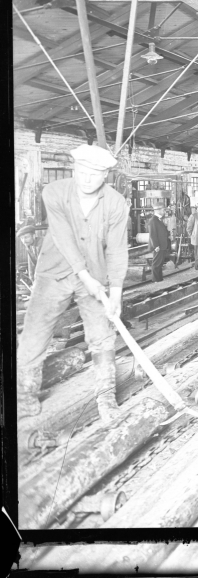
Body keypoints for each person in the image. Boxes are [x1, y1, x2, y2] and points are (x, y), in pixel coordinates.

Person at [17, 144, 128, 423]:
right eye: (81, 171)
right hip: (53, 273)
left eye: (94, 174)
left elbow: (117, 249)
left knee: (102, 334)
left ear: (105, 175)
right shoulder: (53, 192)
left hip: (95, 275)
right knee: (34, 333)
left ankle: (106, 397)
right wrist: (85, 278)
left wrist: (116, 293)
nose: (86, 179)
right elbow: (63, 236)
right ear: (73, 168)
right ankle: (23, 399)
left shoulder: (115, 203)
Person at [146, 206, 170, 283]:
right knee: (156, 263)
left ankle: (159, 279)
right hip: (158, 246)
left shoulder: (158, 220)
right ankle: (156, 279)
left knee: (160, 263)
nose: (164, 211)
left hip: (162, 245)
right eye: (163, 210)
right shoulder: (153, 220)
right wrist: (156, 246)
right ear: (158, 210)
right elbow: (152, 235)